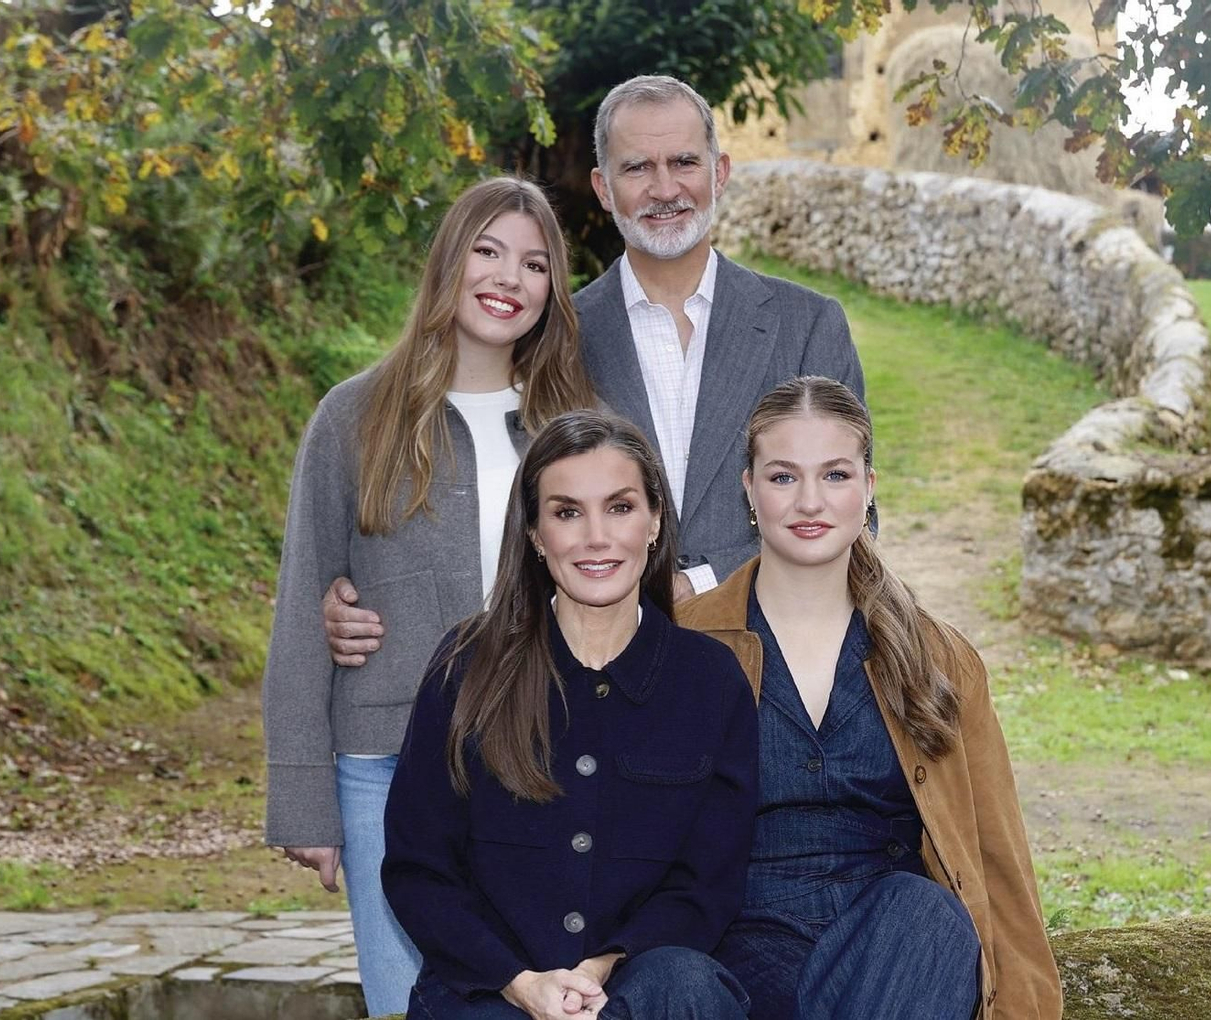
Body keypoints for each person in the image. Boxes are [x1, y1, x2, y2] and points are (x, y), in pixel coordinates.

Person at [321, 74, 865, 668]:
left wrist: (704, 584)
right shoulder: (553, 337)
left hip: (778, 660)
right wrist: (366, 587)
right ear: (603, 188)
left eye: (684, 161)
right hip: (595, 678)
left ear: (720, 172)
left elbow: (856, 513)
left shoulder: (808, 325)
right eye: (637, 168)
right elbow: (483, 470)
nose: (664, 188)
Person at [261, 176, 599, 1016]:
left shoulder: (577, 425)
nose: (507, 278)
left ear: (553, 289)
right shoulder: (354, 418)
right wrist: (303, 797)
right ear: (448, 262)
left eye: (533, 263)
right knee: (407, 1000)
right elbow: (306, 607)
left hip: (546, 757)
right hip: (386, 765)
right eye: (486, 251)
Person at [677, 377, 1062, 1020]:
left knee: (925, 915)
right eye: (781, 477)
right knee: (675, 979)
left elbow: (999, 861)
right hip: (736, 960)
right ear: (748, 489)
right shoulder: (684, 647)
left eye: (834, 475)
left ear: (868, 488)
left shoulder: (938, 658)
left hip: (893, 968)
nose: (809, 501)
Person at [383, 411, 759, 1020]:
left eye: (619, 507)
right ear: (534, 533)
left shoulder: (711, 681)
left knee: (688, 987)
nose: (595, 537)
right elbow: (418, 870)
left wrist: (604, 965)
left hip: (642, 986)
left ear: (655, 521)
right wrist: (518, 982)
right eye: (566, 513)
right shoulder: (466, 666)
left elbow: (707, 882)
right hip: (488, 991)